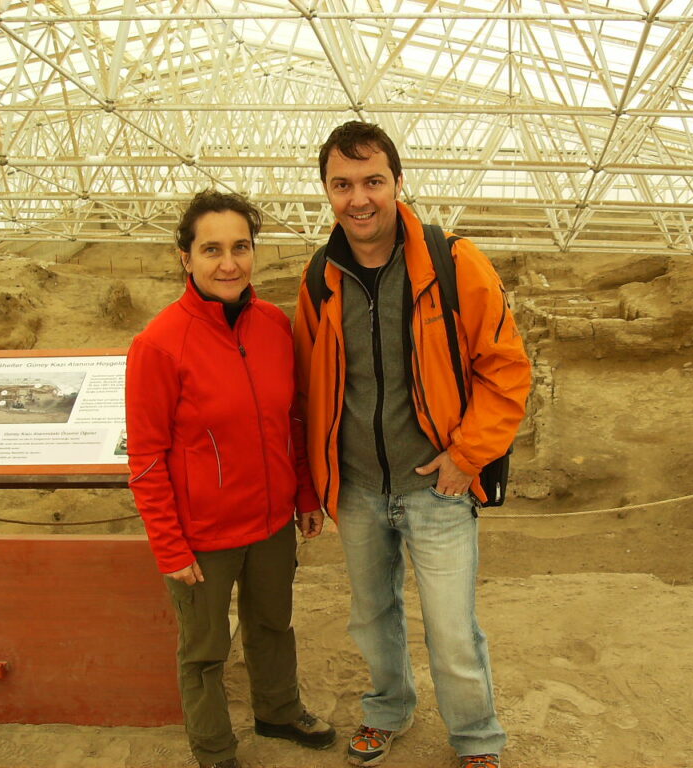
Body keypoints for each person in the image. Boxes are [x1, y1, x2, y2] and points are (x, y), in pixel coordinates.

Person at [293, 122, 531, 768]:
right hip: (361, 489)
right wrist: (314, 484)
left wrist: (466, 456)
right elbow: (310, 393)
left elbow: (506, 368)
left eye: (373, 181)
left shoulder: (454, 263)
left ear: (399, 182)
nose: (358, 198)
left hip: (437, 486)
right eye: (342, 185)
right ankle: (387, 709)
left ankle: (477, 739)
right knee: (372, 618)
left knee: (452, 631)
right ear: (326, 191)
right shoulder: (321, 280)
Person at [126, 190, 336, 768]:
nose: (229, 263)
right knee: (204, 651)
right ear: (184, 257)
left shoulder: (272, 324)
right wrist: (170, 546)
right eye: (211, 249)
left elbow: (290, 419)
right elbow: (146, 457)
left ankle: (278, 710)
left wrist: (304, 494)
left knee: (273, 624)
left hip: (270, 523)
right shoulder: (159, 345)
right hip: (203, 537)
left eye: (240, 247)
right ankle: (215, 749)